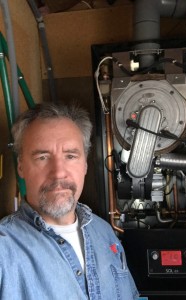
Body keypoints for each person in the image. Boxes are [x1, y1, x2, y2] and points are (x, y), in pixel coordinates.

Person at [0, 103, 139, 300]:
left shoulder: (105, 234)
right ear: (21, 166)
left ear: (84, 164)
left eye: (70, 156)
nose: (58, 173)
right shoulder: (4, 250)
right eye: (42, 157)